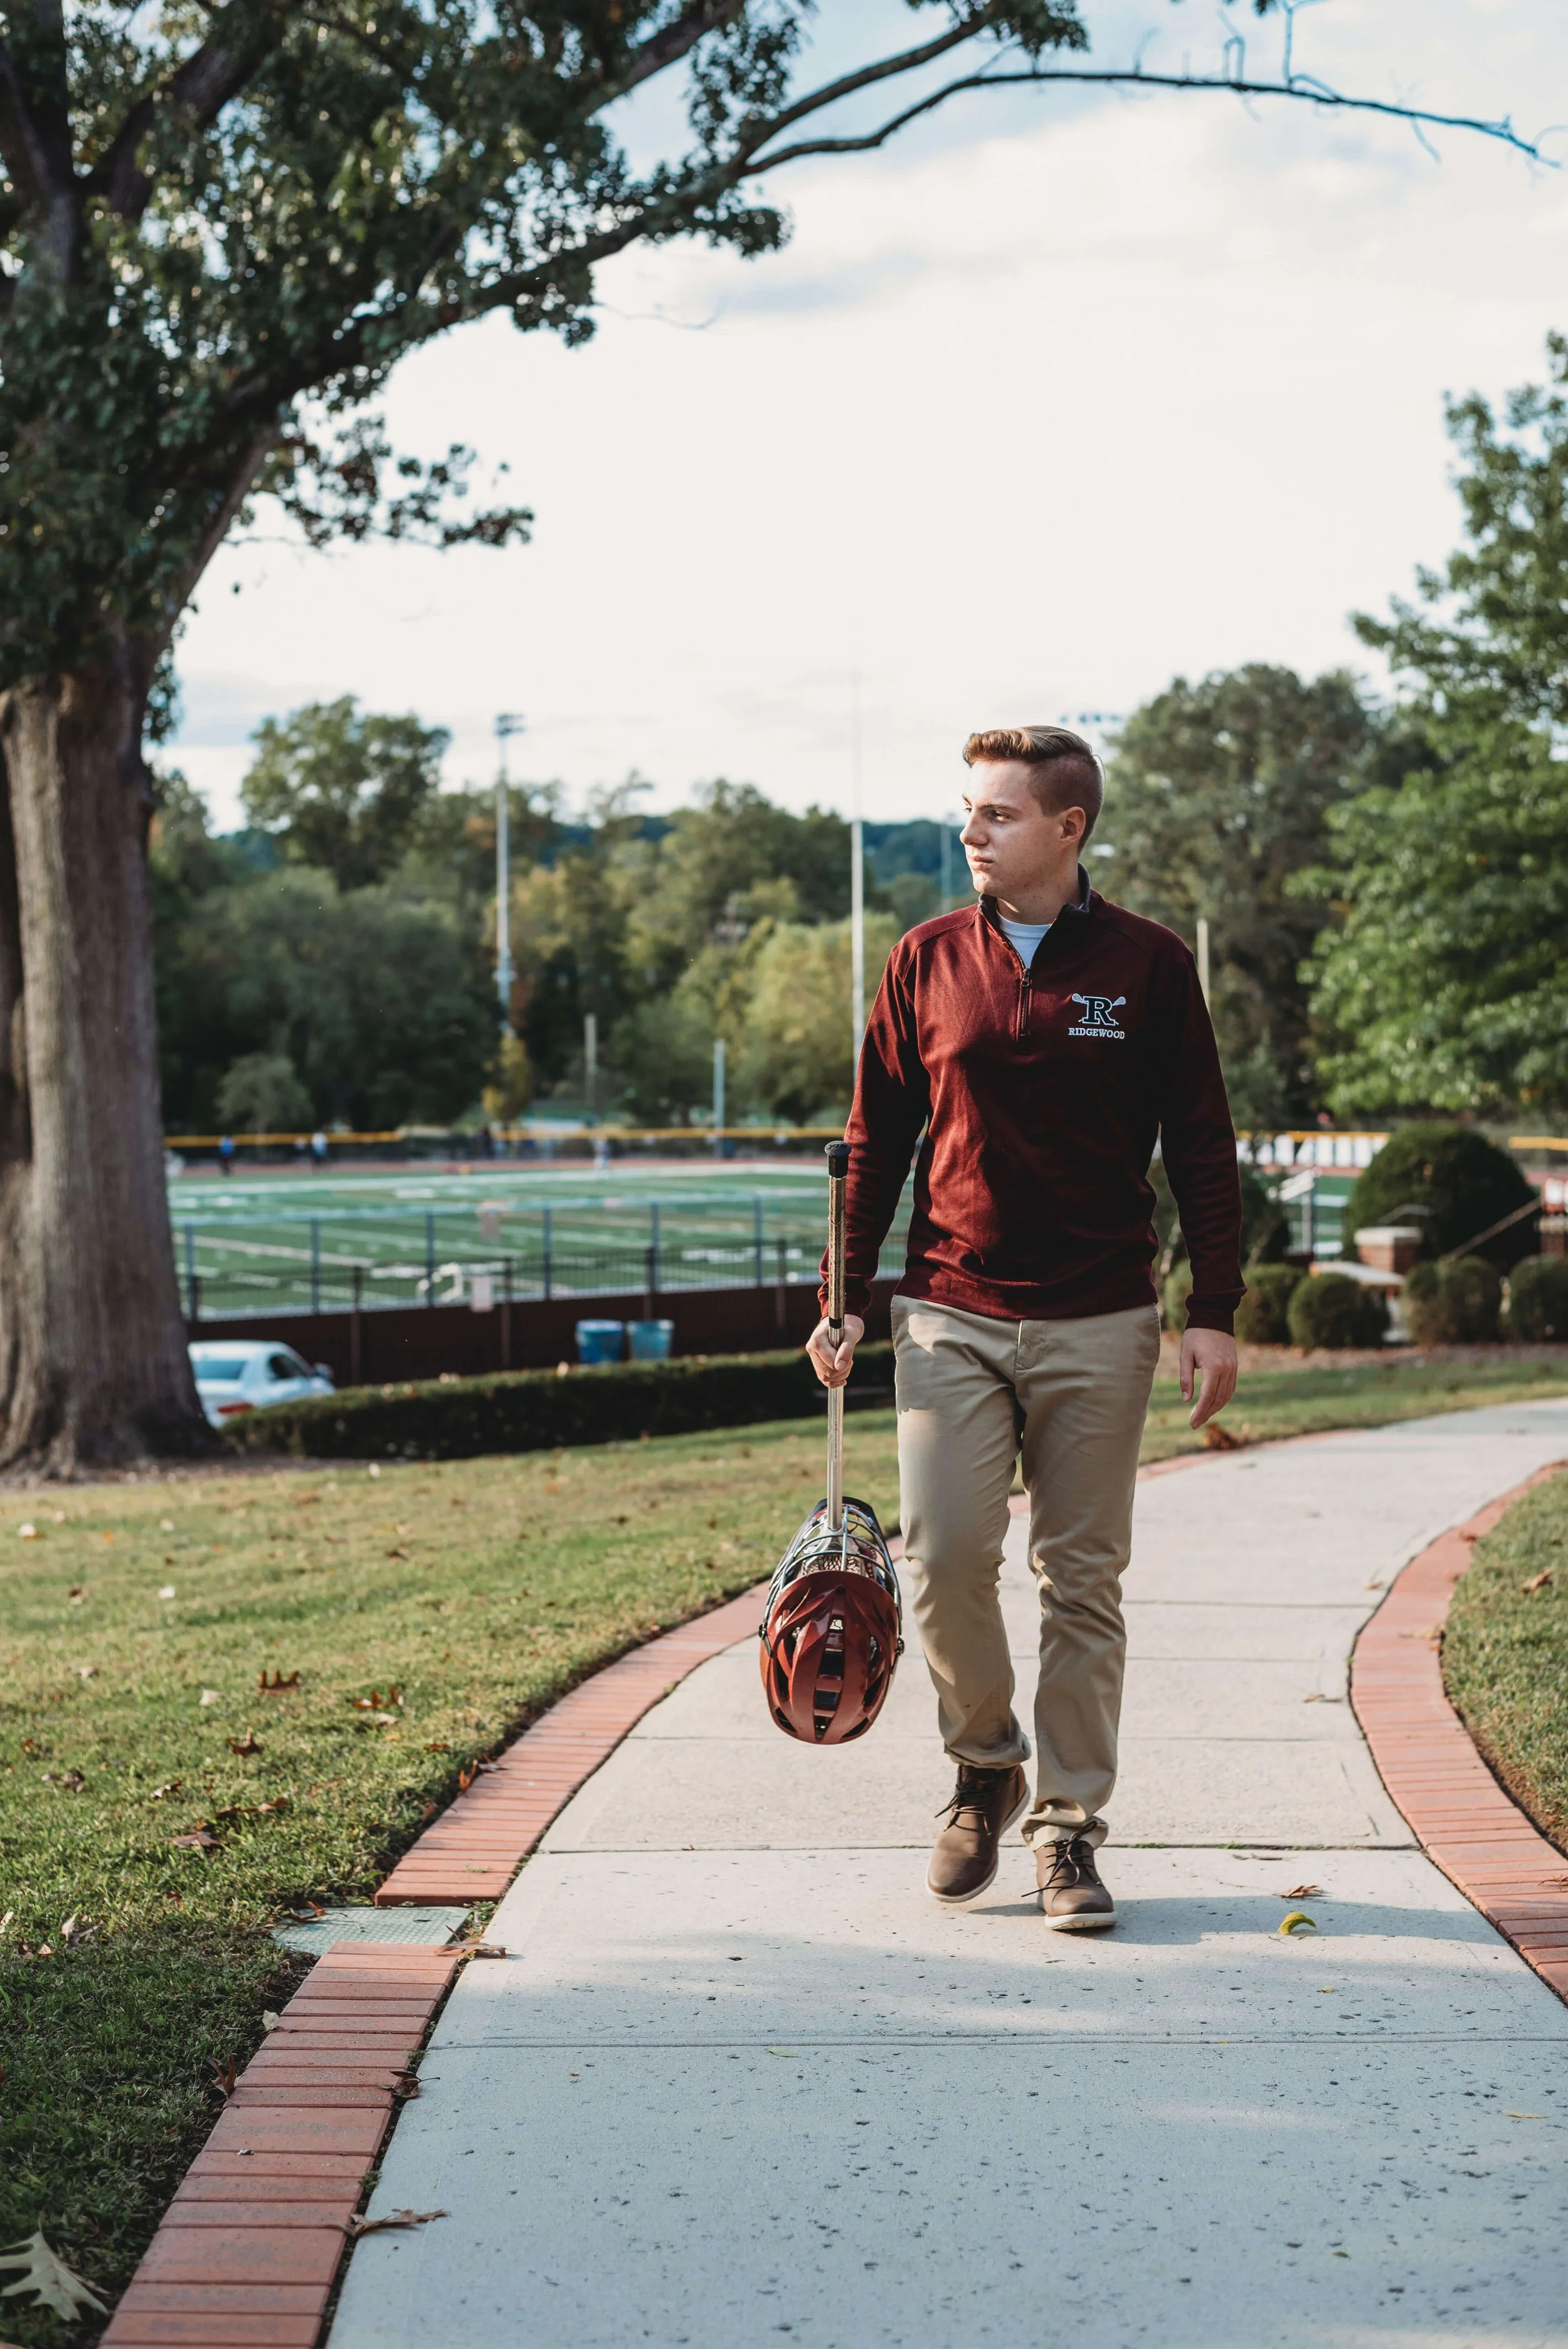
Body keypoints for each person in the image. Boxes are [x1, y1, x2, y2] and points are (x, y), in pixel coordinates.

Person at [808, 726, 1241, 1931]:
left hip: (1104, 1317)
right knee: (944, 1559)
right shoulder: (924, 959)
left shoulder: (1149, 966)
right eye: (966, 811)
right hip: (950, 1312)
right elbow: (873, 1143)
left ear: (1069, 827)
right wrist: (840, 1298)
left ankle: (1066, 1832)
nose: (970, 833)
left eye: (996, 815)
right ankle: (983, 1763)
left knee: (1082, 1581)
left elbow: (1201, 1140)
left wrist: (1214, 1310)